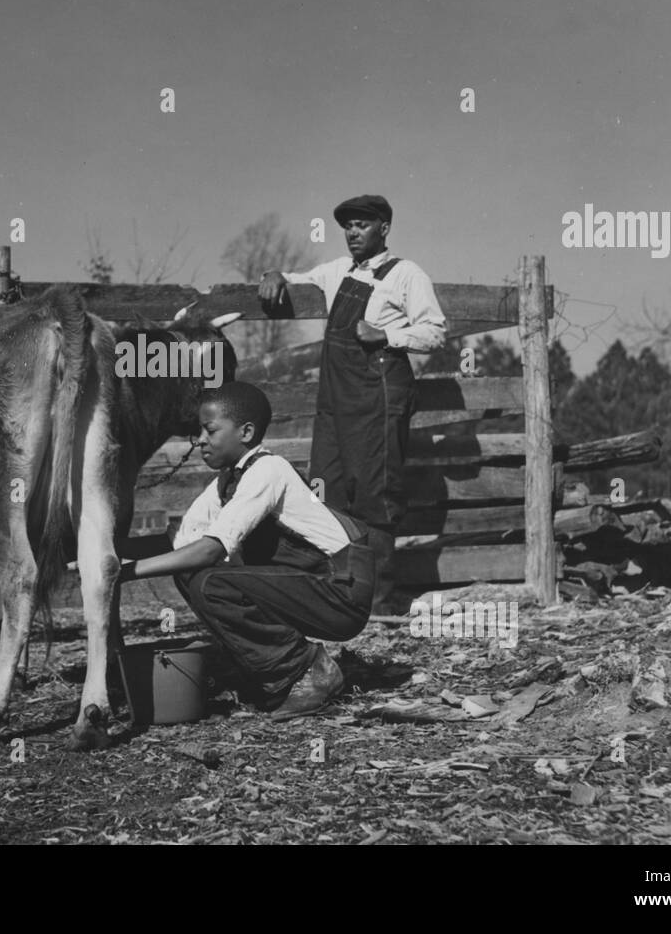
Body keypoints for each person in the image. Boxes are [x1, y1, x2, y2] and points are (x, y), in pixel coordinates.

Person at [115, 382, 376, 720]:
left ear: (246, 432)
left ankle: (306, 670)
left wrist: (126, 572)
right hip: (306, 585)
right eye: (198, 432)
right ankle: (274, 670)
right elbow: (182, 539)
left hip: (341, 591)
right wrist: (105, 553)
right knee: (190, 572)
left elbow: (209, 550)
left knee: (211, 583)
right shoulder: (227, 480)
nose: (200, 441)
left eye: (210, 430)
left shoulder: (268, 470)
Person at [257, 194, 446, 615]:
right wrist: (274, 274)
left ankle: (378, 601)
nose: (353, 233)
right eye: (348, 226)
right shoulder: (338, 271)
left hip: (379, 395)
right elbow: (296, 277)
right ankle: (340, 593)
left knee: (375, 490)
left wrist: (387, 336)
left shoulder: (406, 274)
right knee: (329, 486)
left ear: (384, 228)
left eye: (362, 224)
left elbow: (435, 331)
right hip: (336, 400)